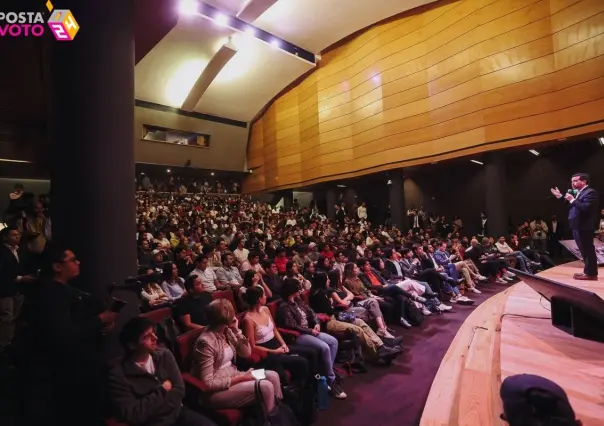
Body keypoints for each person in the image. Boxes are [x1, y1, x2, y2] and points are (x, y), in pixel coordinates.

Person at [24, 247, 119, 425]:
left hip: (79, 365)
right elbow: (64, 334)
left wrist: (102, 323)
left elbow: (81, 323)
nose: (78, 262)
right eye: (72, 259)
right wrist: (99, 320)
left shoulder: (67, 290)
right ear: (57, 266)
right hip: (65, 372)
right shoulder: (49, 294)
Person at [108, 317, 217, 426]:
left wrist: (154, 405)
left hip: (177, 413)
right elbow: (134, 414)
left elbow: (179, 389)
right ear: (132, 345)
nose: (155, 338)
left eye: (153, 333)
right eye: (147, 337)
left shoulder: (164, 355)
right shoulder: (118, 374)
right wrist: (163, 390)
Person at [190, 298, 283, 412]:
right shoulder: (205, 342)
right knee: (266, 386)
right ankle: (272, 421)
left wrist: (236, 330)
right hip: (217, 391)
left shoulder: (226, 331)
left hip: (235, 375)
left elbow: (246, 353)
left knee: (273, 375)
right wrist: (241, 378)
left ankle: (279, 414)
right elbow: (208, 383)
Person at [551, 173, 599, 280]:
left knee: (588, 250)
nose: (573, 183)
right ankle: (587, 271)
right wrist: (560, 196)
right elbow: (572, 205)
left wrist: (572, 199)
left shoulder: (590, 193)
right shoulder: (579, 193)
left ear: (584, 182)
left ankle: (591, 274)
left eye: (576, 181)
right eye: (572, 181)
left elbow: (586, 208)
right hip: (577, 226)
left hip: (584, 226)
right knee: (583, 250)